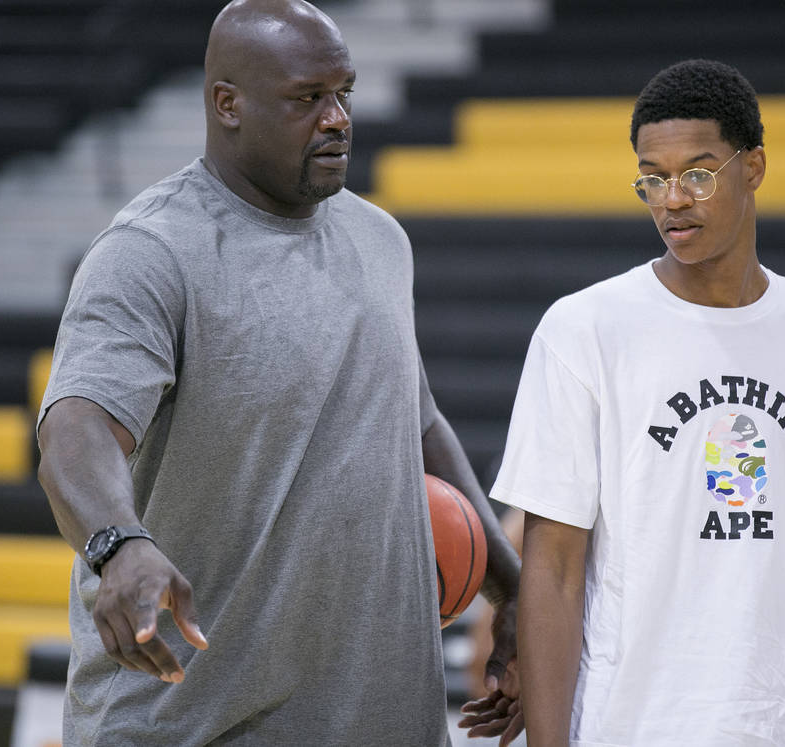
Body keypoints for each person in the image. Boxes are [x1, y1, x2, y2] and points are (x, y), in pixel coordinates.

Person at [35, 1, 520, 744]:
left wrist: (510, 586)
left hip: (381, 718)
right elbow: (76, 427)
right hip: (191, 721)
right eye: (306, 99)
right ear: (227, 104)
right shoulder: (152, 251)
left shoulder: (381, 239)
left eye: (344, 95)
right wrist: (117, 543)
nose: (337, 119)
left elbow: (417, 420)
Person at [490, 59, 785, 745]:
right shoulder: (583, 330)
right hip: (635, 726)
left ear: (752, 166)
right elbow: (551, 570)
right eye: (652, 177)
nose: (672, 199)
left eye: (698, 173)